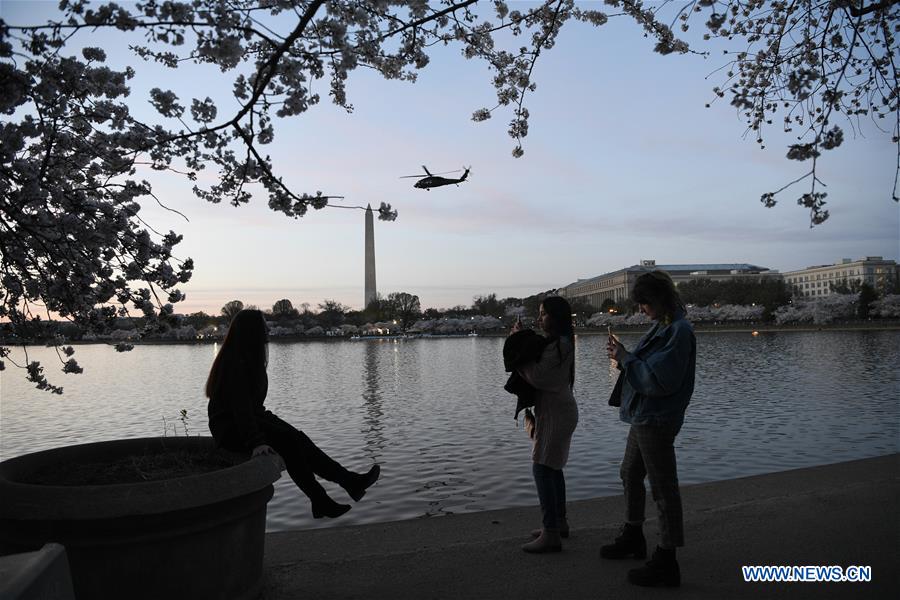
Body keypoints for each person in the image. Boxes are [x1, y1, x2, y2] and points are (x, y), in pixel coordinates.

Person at [205, 309, 380, 519]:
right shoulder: (236, 363)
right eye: (263, 325)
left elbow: (252, 408)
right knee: (289, 442)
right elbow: (240, 409)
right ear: (253, 331)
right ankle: (320, 499)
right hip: (230, 427)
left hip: (249, 417)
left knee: (298, 437)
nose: (268, 329)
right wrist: (256, 442)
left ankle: (349, 481)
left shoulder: (247, 358)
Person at [602, 271, 696, 587]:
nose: (641, 308)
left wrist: (626, 358)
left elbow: (660, 381)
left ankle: (667, 559)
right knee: (629, 472)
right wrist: (623, 356)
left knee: (662, 487)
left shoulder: (679, 331)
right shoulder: (663, 327)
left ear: (660, 298)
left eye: (644, 302)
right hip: (644, 415)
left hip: (657, 417)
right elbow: (647, 369)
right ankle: (633, 534)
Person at [510, 296, 579, 553]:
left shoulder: (559, 346)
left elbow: (539, 377)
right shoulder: (561, 343)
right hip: (558, 410)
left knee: (541, 467)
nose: (539, 319)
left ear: (557, 317)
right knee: (553, 468)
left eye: (544, 314)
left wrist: (518, 347)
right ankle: (558, 524)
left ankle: (551, 533)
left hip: (556, 413)